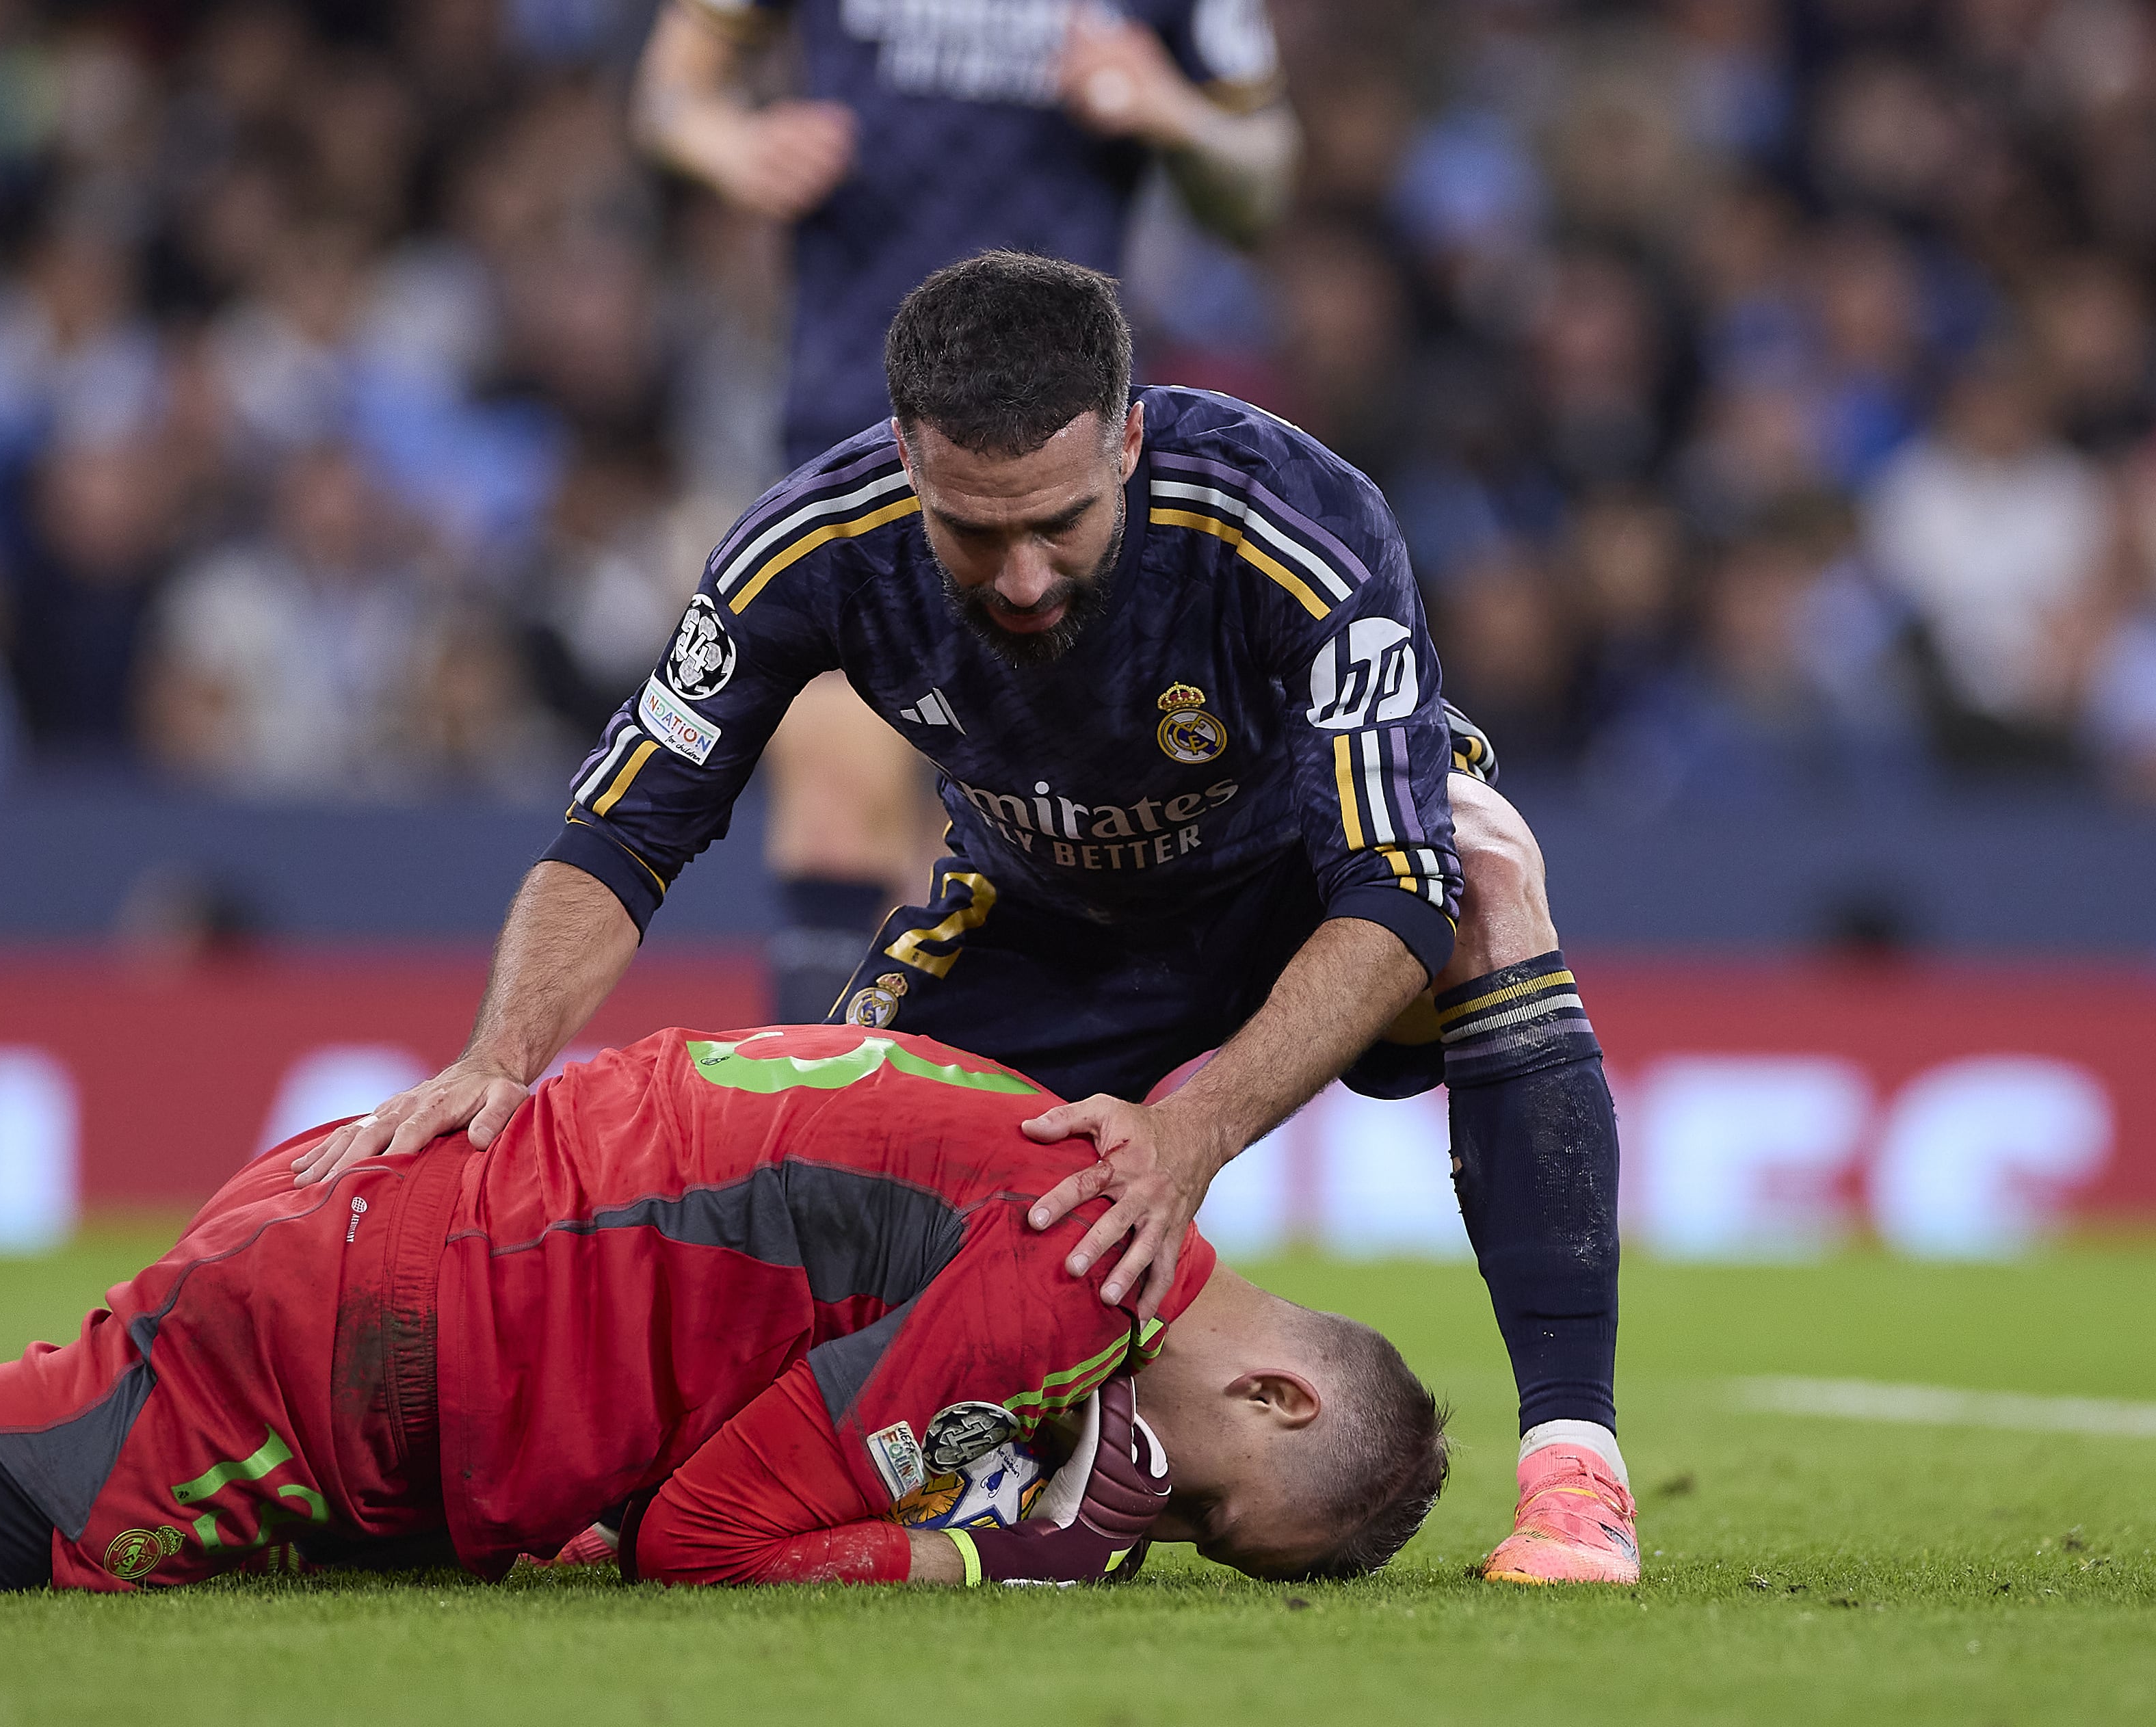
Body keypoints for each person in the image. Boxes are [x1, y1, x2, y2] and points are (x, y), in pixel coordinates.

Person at [317, 254, 1638, 1585]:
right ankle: (637, 1483)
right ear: (905, 457)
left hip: (1299, 884)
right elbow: (623, 829)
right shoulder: (811, 544)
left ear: (1128, 436)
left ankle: (1573, 1468)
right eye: (973, 531)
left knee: (1480, 868)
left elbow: (1392, 885)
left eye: (1058, 523)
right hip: (1044, 918)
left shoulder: (1292, 519)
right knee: (824, 1189)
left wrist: (1196, 1128)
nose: (1019, 577)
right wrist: (500, 1055)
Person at [0, 1025, 1446, 1597]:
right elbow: (710, 1538)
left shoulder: (1050, 1163)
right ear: (1275, 1392)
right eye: (1205, 1508)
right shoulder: (1078, 1286)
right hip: (375, 1340)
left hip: (385, 1232)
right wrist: (996, 1567)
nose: (1150, 1522)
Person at [633, 0, 1300, 1025]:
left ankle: (949, 1142)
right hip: (856, 423)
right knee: (832, 797)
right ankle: (821, 1145)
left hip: (1051, 473)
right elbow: (671, 92)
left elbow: (1260, 180)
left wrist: (1173, 114)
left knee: (992, 845)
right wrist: (731, 143)